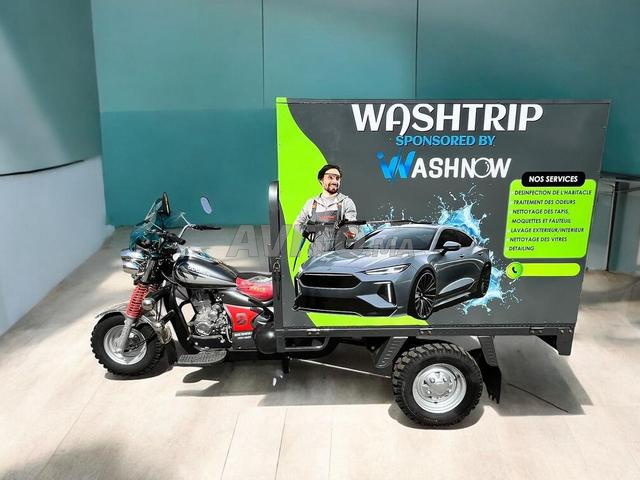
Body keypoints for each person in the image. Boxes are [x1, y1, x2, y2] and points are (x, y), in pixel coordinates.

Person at [294, 164, 358, 258]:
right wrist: (305, 232)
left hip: (339, 259)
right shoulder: (311, 203)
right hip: (315, 258)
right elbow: (297, 224)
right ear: (321, 180)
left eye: (337, 178)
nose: (335, 181)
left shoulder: (346, 202)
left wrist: (344, 228)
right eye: (330, 177)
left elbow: (353, 234)